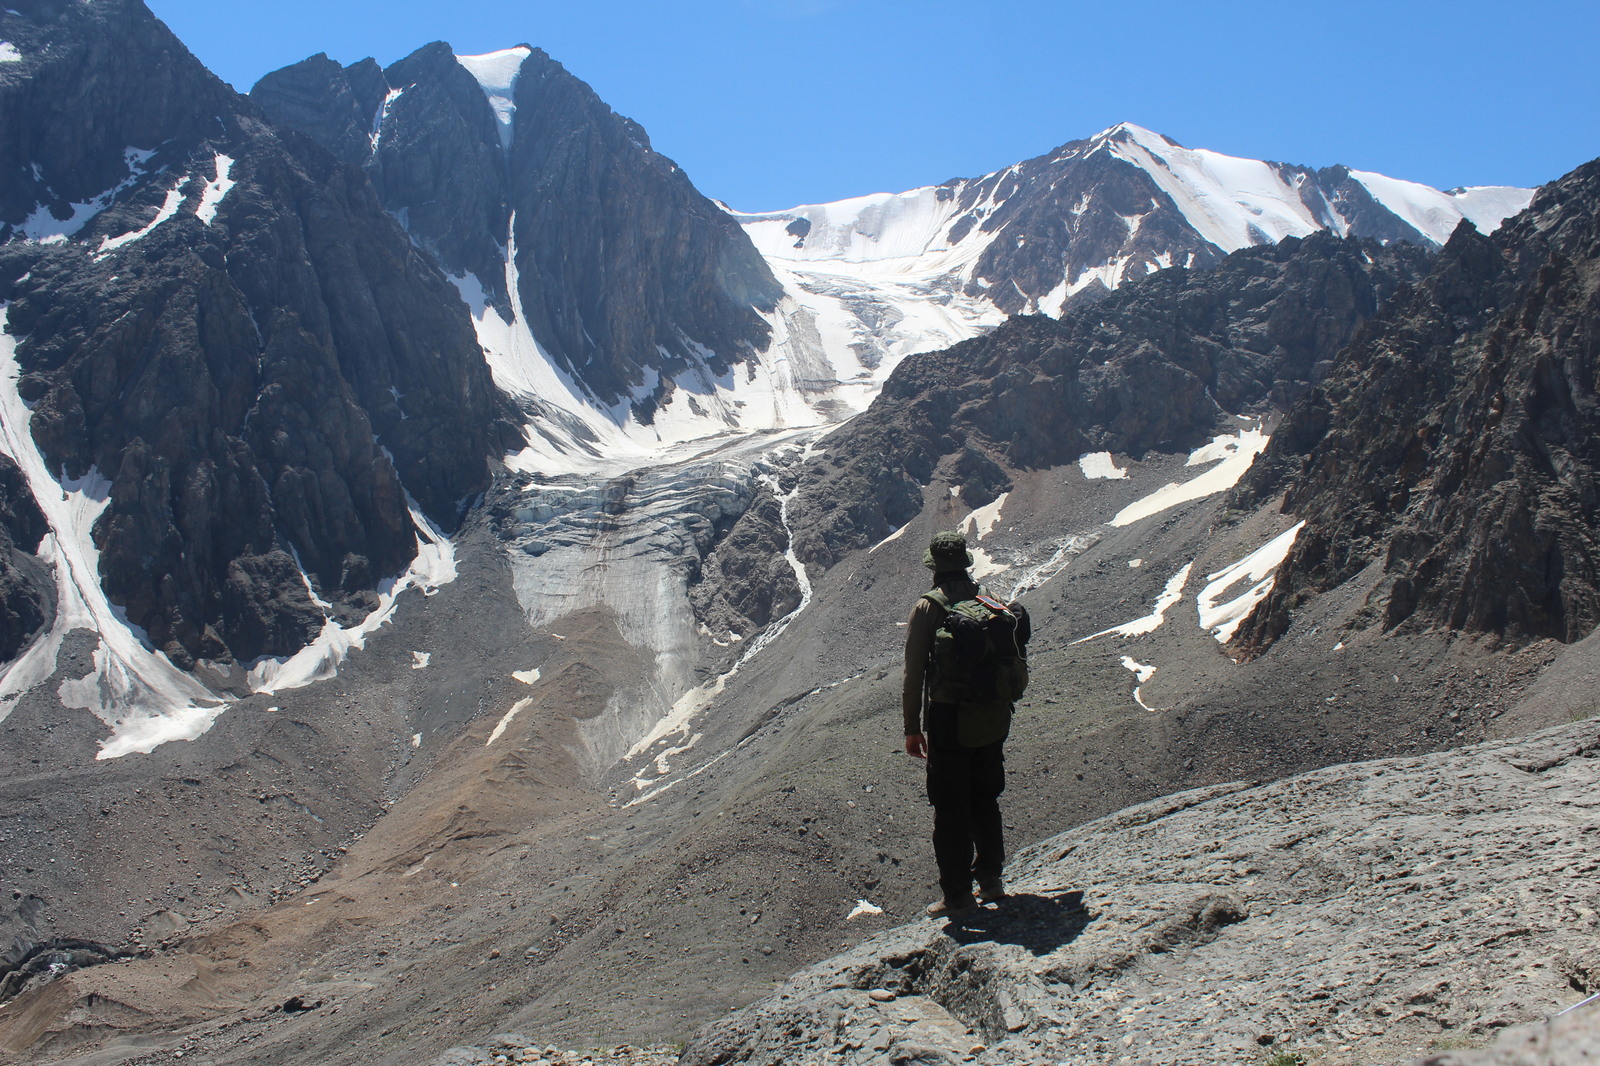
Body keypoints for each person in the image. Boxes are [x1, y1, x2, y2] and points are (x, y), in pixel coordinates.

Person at [903, 530, 1013, 919]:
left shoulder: (928, 608)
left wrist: (911, 728)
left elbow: (914, 673)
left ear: (933, 568)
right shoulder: (990, 600)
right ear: (966, 563)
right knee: (985, 797)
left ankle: (958, 896)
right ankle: (991, 880)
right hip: (993, 716)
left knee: (950, 807)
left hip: (949, 719)